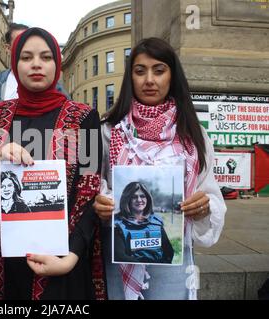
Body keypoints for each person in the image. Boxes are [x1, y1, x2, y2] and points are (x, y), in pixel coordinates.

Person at [0, 27, 105, 300]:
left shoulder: (84, 118)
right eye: (26, 57)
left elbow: (89, 192)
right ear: (15, 64)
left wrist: (71, 256)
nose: (36, 64)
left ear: (57, 64)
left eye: (46, 57)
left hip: (59, 259)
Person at [93, 37, 226, 300]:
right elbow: (95, 183)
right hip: (120, 252)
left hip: (172, 254)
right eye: (140, 71)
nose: (149, 80)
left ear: (172, 76)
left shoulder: (193, 135)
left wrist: (204, 205)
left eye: (159, 70)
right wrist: (103, 202)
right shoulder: (108, 130)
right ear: (130, 78)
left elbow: (209, 190)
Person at [0, 23, 67, 145]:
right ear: (8, 48)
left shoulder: (57, 88)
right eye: (19, 41)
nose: (36, 64)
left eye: (46, 57)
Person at [113, 182, 174, 264]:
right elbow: (120, 257)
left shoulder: (157, 222)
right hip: (131, 272)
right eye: (134, 197)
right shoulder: (117, 224)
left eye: (142, 196)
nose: (139, 200)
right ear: (127, 199)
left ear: (147, 198)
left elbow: (169, 252)